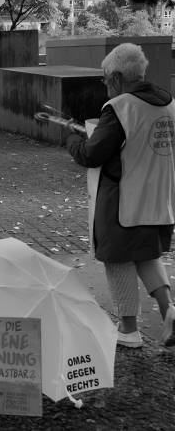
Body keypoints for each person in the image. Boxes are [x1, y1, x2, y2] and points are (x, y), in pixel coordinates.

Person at [67, 43, 175, 348]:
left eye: (104, 79)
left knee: (117, 260)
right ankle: (170, 311)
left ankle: (128, 330)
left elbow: (92, 153)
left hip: (122, 201)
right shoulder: (168, 103)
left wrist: (72, 140)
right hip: (160, 199)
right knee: (146, 254)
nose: (105, 85)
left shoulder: (120, 107)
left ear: (116, 76)